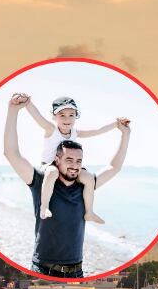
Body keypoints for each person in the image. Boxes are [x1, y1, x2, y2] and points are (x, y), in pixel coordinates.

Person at [3, 93, 131, 278]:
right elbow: (11, 152)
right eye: (69, 159)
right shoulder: (40, 180)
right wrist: (14, 109)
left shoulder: (84, 184)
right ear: (57, 159)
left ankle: (90, 212)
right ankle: (44, 207)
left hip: (76, 270)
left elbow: (114, 167)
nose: (74, 165)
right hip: (43, 268)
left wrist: (123, 132)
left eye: (79, 161)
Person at [14, 93, 129, 222]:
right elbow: (37, 116)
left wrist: (116, 124)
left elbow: (97, 130)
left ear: (76, 117)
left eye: (71, 115)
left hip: (69, 166)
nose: (66, 119)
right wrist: (27, 102)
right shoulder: (51, 129)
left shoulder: (75, 132)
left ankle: (89, 212)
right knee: (52, 173)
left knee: (89, 179)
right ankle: (44, 207)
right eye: (62, 115)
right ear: (54, 116)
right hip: (49, 165)